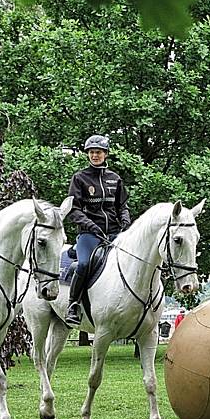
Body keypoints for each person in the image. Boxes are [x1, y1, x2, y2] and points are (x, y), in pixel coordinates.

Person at [65, 134, 131, 326]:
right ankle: (73, 305)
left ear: (105, 154)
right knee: (84, 264)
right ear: (88, 154)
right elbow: (73, 209)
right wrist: (90, 225)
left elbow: (122, 205)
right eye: (92, 152)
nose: (95, 155)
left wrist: (125, 220)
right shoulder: (79, 178)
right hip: (89, 234)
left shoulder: (115, 179)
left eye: (99, 152)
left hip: (114, 233)